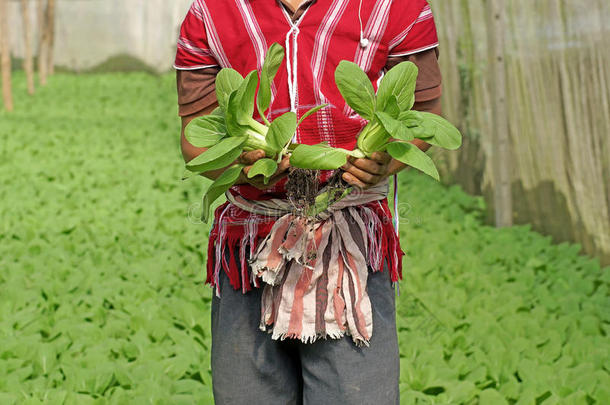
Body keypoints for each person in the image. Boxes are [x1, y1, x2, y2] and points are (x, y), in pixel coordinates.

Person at [174, 0, 442, 403]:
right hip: (250, 249)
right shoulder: (209, 13)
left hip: (351, 251)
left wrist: (388, 157)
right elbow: (196, 139)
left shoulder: (398, 8)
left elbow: (423, 114)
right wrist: (246, 164)